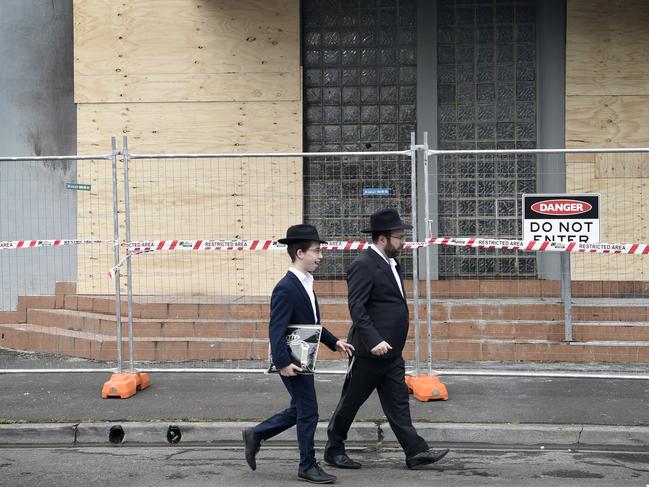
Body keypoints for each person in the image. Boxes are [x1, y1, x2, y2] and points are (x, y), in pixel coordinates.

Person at [324, 208, 449, 470]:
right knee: (351, 402)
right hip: (370, 353)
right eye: (399, 236)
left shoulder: (391, 263)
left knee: (399, 404)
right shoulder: (363, 265)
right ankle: (333, 449)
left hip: (392, 353)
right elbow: (357, 308)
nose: (403, 241)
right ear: (383, 239)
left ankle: (415, 451)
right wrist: (373, 340)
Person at [243, 224, 355, 484]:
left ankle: (256, 434)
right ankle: (306, 465)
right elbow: (276, 329)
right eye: (316, 251)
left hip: (304, 355)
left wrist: (333, 341)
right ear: (300, 253)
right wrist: (282, 363)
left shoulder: (305, 282)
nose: (320, 256)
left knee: (301, 409)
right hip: (292, 360)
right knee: (309, 411)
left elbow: (311, 322)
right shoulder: (286, 287)